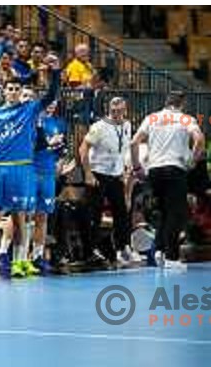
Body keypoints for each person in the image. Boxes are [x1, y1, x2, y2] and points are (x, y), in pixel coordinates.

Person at [0, 55, 61, 278]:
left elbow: (51, 95)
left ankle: (20, 261)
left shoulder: (29, 110)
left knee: (20, 216)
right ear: (5, 92)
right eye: (10, 88)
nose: (13, 92)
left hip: (22, 168)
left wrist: (55, 72)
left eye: (16, 88)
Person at [131, 91, 205, 270]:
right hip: (174, 169)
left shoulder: (151, 118)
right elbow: (200, 139)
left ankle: (159, 251)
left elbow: (134, 143)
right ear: (182, 104)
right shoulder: (186, 119)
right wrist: (192, 160)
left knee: (163, 212)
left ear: (166, 102)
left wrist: (137, 167)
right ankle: (172, 258)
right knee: (176, 213)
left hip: (154, 170)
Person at [80, 96, 140, 266]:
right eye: (114, 110)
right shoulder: (99, 127)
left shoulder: (127, 125)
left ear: (125, 110)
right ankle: (92, 249)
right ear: (109, 109)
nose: (117, 113)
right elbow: (83, 148)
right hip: (98, 174)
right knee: (94, 213)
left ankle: (123, 247)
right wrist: (88, 173)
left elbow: (124, 149)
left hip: (116, 175)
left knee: (122, 211)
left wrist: (125, 169)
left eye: (120, 110)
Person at [32, 99, 67, 272]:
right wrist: (48, 143)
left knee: (43, 215)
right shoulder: (31, 120)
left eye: (55, 101)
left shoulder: (59, 123)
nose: (52, 104)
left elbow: (61, 147)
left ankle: (37, 256)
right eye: (49, 101)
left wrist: (60, 161)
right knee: (21, 215)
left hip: (48, 174)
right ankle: (13, 255)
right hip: (30, 171)